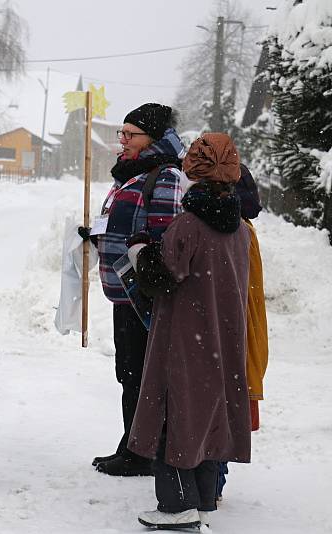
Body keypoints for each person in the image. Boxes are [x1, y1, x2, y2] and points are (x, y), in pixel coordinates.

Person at [126, 133, 252, 530]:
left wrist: (140, 252)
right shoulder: (240, 229)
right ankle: (203, 495)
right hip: (222, 336)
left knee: (175, 412)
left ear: (191, 173)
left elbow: (163, 277)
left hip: (183, 335)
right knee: (208, 412)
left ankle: (178, 506)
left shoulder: (188, 225)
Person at [80, 103, 185, 477]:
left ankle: (146, 452)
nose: (121, 140)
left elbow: (164, 235)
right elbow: (121, 224)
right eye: (121, 133)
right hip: (123, 293)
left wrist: (146, 269)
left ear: (152, 139)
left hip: (144, 295)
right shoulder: (128, 175)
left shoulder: (165, 175)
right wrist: (96, 235)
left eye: (130, 134)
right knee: (129, 372)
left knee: (144, 374)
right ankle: (134, 443)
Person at [217, 163, 269, 500]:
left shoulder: (232, 231)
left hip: (219, 332)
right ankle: (213, 479)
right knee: (222, 394)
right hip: (230, 335)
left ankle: (211, 482)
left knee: (215, 398)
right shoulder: (244, 230)